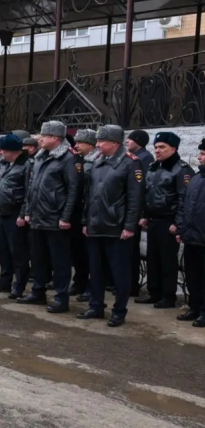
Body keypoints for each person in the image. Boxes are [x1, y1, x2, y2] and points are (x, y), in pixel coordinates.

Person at [78, 124, 144, 327]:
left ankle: (119, 311)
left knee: (119, 273)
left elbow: (135, 198)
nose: (97, 145)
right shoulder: (98, 161)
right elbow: (89, 196)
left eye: (101, 141)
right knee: (96, 270)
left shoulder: (131, 163)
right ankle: (96, 305)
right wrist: (85, 221)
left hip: (117, 227)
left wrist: (130, 226)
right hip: (96, 225)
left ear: (114, 143)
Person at [17, 120, 80, 314]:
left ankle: (61, 298)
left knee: (59, 261)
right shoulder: (39, 157)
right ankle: (38, 291)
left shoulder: (68, 159)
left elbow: (73, 190)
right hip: (38, 216)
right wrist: (27, 211)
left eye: (44, 136)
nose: (40, 139)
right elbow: (32, 188)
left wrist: (66, 217)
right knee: (38, 258)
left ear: (55, 138)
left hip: (56, 219)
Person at [136, 131, 190, 309]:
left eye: (162, 147)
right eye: (156, 147)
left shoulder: (181, 170)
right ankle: (154, 292)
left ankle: (168, 296)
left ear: (173, 149)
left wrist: (177, 223)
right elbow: (148, 193)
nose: (157, 150)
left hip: (169, 222)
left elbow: (184, 199)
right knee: (153, 259)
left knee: (167, 261)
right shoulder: (153, 167)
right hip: (153, 220)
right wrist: (145, 215)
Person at [0, 134, 31, 298]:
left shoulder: (26, 165)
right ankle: (4, 282)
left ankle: (19, 286)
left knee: (18, 253)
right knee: (2, 250)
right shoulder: (3, 165)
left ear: (11, 151)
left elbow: (29, 192)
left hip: (15, 213)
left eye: (2, 150)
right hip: (0, 212)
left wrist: (23, 214)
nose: (0, 153)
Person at [176, 139, 205, 327]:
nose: (199, 157)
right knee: (193, 275)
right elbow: (184, 204)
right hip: (192, 238)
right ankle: (194, 307)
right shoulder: (196, 178)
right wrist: (181, 228)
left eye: (203, 154)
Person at [71, 129, 99, 301]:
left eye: (80, 142)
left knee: (91, 253)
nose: (76, 146)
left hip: (90, 212)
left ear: (90, 144)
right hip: (77, 212)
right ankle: (79, 281)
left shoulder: (96, 161)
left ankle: (91, 285)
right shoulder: (79, 160)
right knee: (77, 251)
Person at [126, 129, 154, 297]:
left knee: (131, 251)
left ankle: (132, 285)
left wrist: (141, 213)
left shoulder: (145, 158)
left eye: (131, 139)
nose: (127, 142)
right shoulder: (132, 157)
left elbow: (141, 186)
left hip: (136, 211)